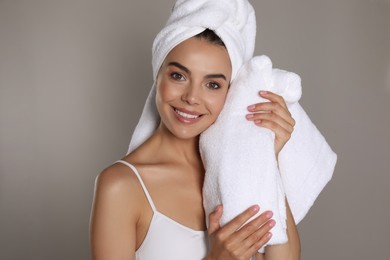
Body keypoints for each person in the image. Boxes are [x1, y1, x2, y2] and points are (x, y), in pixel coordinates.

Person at [90, 1, 300, 259]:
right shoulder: (121, 186)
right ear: (158, 75)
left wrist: (268, 158)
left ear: (230, 92)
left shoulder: (236, 172)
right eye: (179, 76)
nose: (192, 98)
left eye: (212, 84)